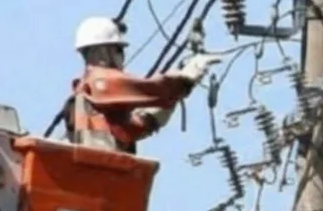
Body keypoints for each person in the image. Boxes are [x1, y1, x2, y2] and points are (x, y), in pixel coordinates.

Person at [67, 16, 219, 152]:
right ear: (102, 50)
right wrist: (189, 74)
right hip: (103, 164)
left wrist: (153, 116)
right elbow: (155, 90)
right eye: (118, 49)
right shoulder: (101, 80)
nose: (122, 56)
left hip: (100, 167)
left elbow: (128, 131)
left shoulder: (83, 93)